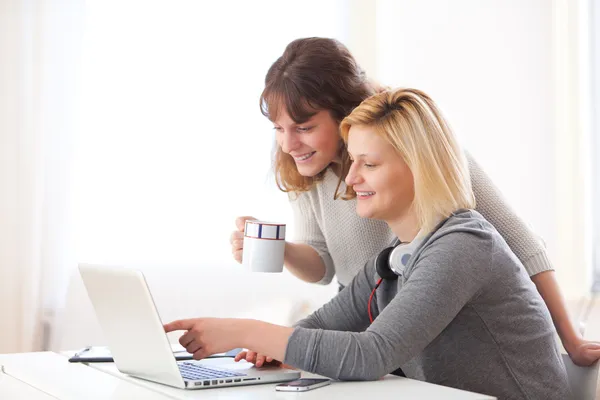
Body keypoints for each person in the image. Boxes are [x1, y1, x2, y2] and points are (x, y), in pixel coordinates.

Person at [167, 88, 571, 399]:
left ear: (420, 169)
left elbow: (371, 353)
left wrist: (247, 331)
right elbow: (323, 325)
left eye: (369, 164)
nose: (351, 177)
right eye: (353, 160)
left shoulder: (462, 247)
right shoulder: (394, 258)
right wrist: (273, 347)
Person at [228, 37, 600, 367]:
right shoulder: (305, 170)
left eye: (304, 127)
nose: (288, 144)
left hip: (421, 323)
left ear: (344, 112)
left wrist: (571, 340)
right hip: (370, 314)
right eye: (278, 128)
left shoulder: (424, 163)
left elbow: (522, 244)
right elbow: (323, 267)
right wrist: (280, 254)